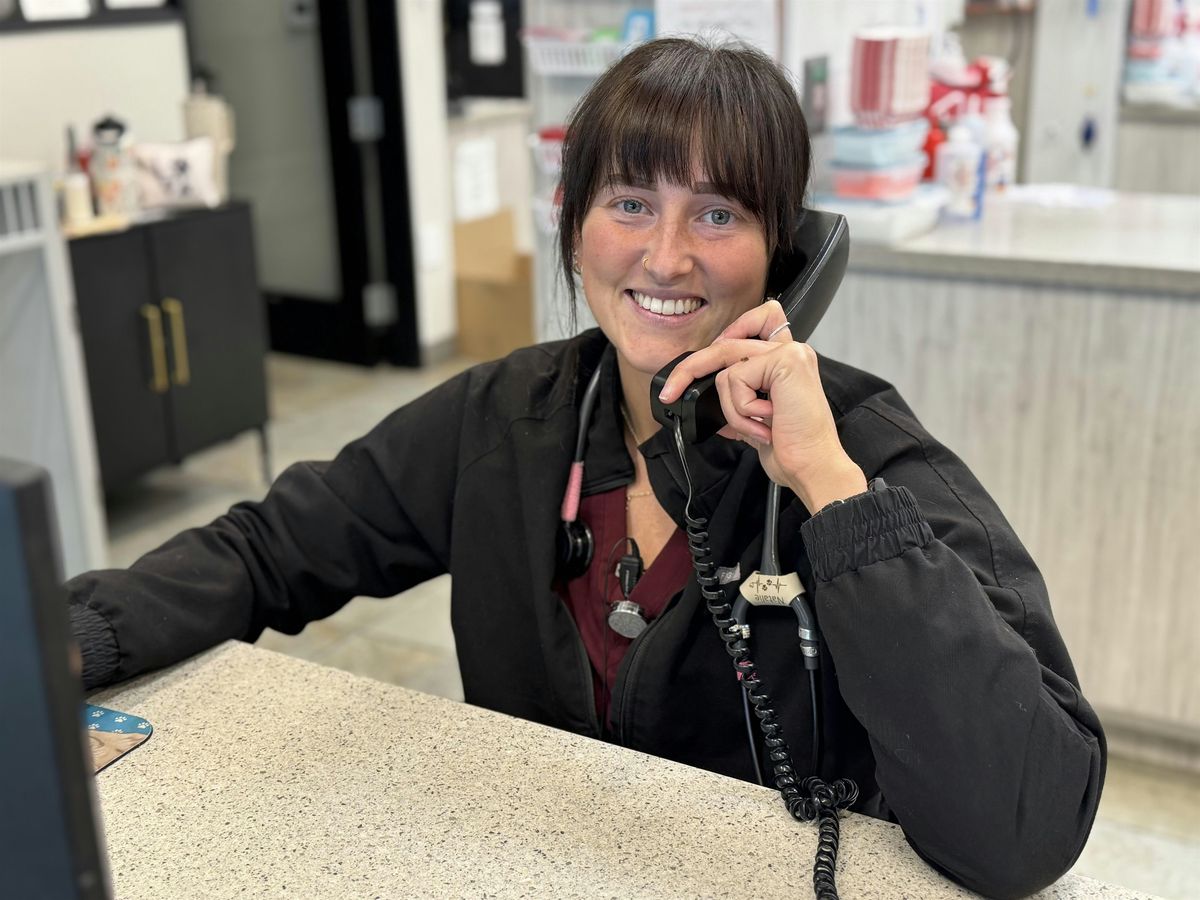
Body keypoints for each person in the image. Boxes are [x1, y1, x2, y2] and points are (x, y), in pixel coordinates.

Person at [66, 38, 1104, 898]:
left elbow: (1028, 827)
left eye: (719, 213)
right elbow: (269, 550)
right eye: (630, 203)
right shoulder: (509, 418)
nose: (667, 257)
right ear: (573, 229)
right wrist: (57, 644)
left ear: (786, 255)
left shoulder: (865, 452)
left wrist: (829, 491)